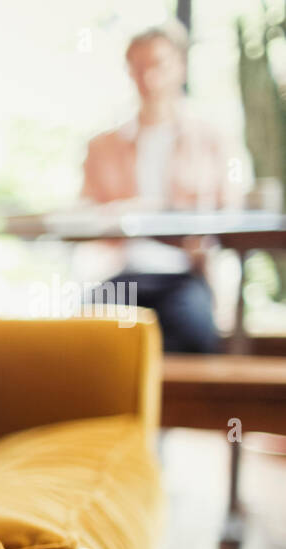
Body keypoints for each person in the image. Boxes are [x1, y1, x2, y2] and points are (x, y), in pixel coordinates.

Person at [80, 20, 244, 353]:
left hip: (185, 275)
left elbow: (232, 213)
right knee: (86, 338)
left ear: (180, 67)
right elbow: (84, 216)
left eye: (158, 65)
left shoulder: (213, 139)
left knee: (195, 333)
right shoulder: (103, 146)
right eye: (138, 67)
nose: (149, 78)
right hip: (124, 272)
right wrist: (121, 214)